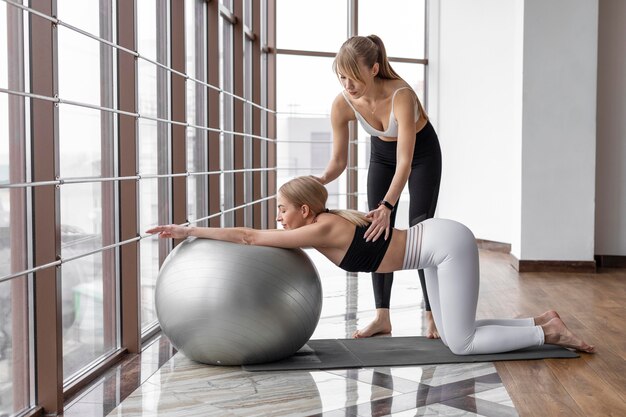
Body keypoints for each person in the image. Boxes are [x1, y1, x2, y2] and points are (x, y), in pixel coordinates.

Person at [146, 176, 595, 355]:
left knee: (459, 343)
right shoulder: (323, 220)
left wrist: (189, 230)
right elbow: (258, 237)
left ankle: (546, 334)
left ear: (305, 211)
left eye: (283, 209)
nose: (278, 218)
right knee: (461, 331)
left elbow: (249, 237)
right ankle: (540, 321)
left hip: (445, 246)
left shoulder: (321, 228)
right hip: (436, 246)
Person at [314, 35, 442, 339]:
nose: (347, 85)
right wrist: (315, 182)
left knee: (420, 228)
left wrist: (387, 205)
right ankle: (382, 317)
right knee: (376, 231)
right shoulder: (342, 103)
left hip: (420, 155)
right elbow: (338, 161)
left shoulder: (402, 95)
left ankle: (432, 314)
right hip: (382, 156)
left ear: (373, 69)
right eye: (342, 77)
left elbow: (406, 163)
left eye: (354, 76)